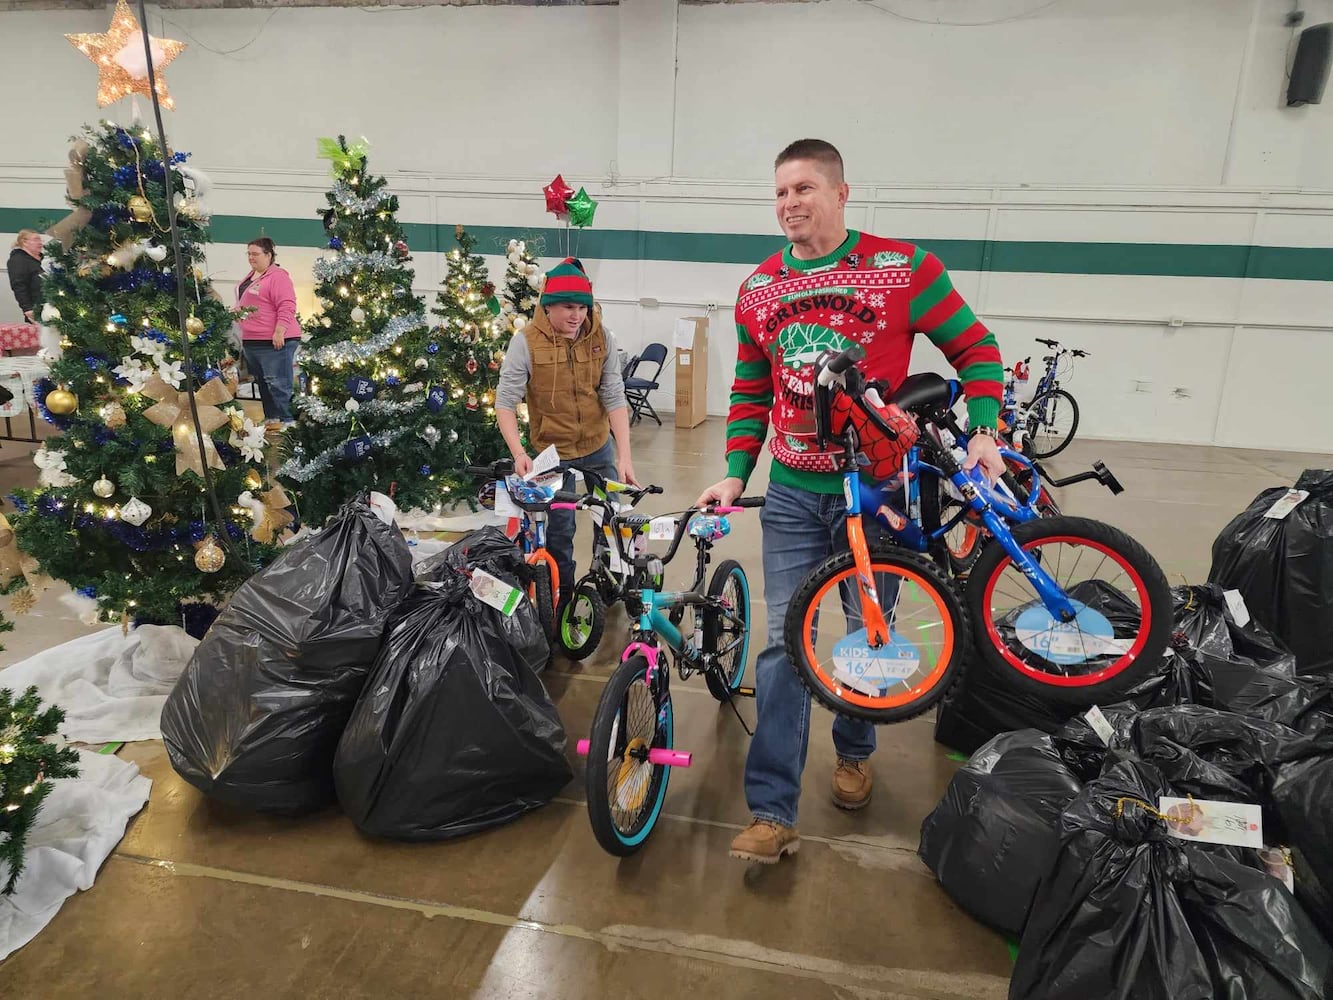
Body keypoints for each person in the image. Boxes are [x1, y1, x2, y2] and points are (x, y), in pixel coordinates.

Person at [695, 139, 1007, 865]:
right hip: (796, 496)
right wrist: (736, 471)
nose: (788, 204)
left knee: (870, 632)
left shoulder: (905, 270)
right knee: (780, 648)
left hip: (882, 492)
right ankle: (771, 811)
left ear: (840, 193)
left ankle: (855, 747)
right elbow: (749, 391)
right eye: (778, 192)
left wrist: (986, 431)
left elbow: (976, 348)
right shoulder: (757, 288)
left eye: (802, 188)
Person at [495, 257, 637, 601]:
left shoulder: (601, 336)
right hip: (552, 455)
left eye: (583, 307)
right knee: (559, 530)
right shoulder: (526, 343)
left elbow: (614, 396)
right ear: (548, 307)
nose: (577, 316)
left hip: (598, 447)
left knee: (611, 518)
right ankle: (564, 595)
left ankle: (609, 584)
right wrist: (518, 453)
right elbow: (505, 403)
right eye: (568, 307)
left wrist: (625, 456)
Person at [235, 237, 299, 429]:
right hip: (253, 340)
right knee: (263, 382)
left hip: (274, 340)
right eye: (249, 254)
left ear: (268, 255)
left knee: (278, 382)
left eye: (255, 254)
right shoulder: (251, 276)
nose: (251, 258)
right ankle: (272, 417)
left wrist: (280, 330)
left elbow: (287, 305)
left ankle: (288, 420)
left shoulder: (278, 276)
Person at [7, 230, 43, 324]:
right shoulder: (18, 260)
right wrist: (27, 308)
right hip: (36, 309)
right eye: (36, 239)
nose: (40, 243)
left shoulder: (43, 259)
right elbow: (19, 285)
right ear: (25, 242)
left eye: (40, 240)